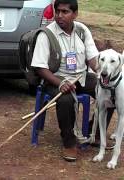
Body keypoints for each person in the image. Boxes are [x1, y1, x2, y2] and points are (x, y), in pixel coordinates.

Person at [31, 0, 114, 162]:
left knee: (111, 90)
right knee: (66, 99)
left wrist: (104, 72)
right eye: (57, 11)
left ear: (75, 14)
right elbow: (40, 68)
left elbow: (93, 60)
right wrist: (60, 83)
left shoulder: (82, 31)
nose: (59, 16)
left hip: (80, 78)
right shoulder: (46, 34)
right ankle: (69, 142)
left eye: (65, 12)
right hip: (54, 79)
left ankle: (94, 132)